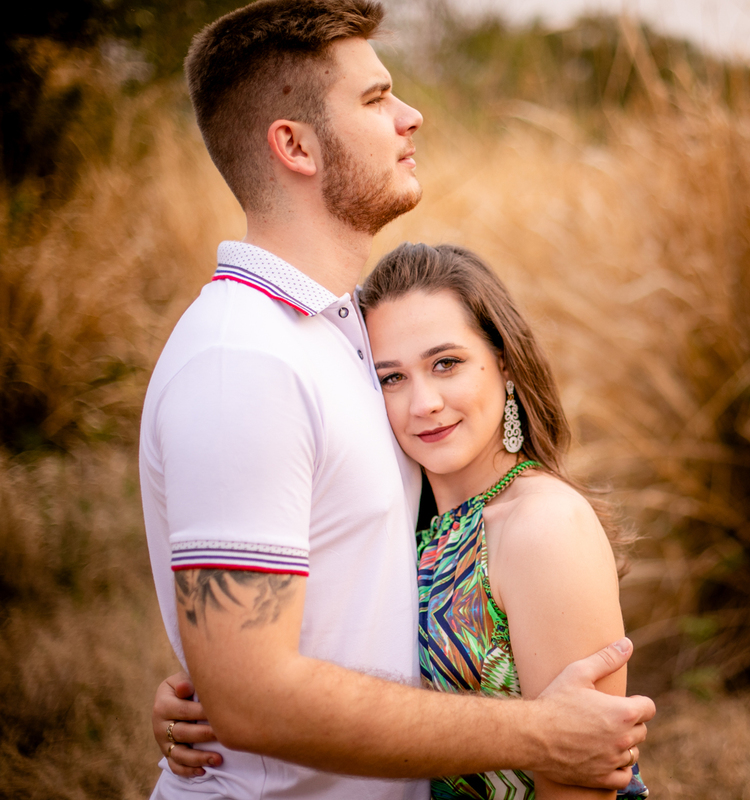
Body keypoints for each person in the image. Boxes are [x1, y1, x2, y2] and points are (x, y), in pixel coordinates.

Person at [138, 1, 653, 798]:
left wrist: (222, 675)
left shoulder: (340, 332)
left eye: (446, 365)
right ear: (295, 146)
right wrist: (543, 734)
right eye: (376, 98)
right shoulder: (244, 359)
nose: (411, 116)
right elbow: (248, 697)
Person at [157, 243, 651, 799]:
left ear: (506, 363)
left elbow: (584, 782)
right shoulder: (401, 528)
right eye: (391, 378)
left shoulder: (545, 525)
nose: (424, 403)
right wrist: (208, 700)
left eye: (446, 363)